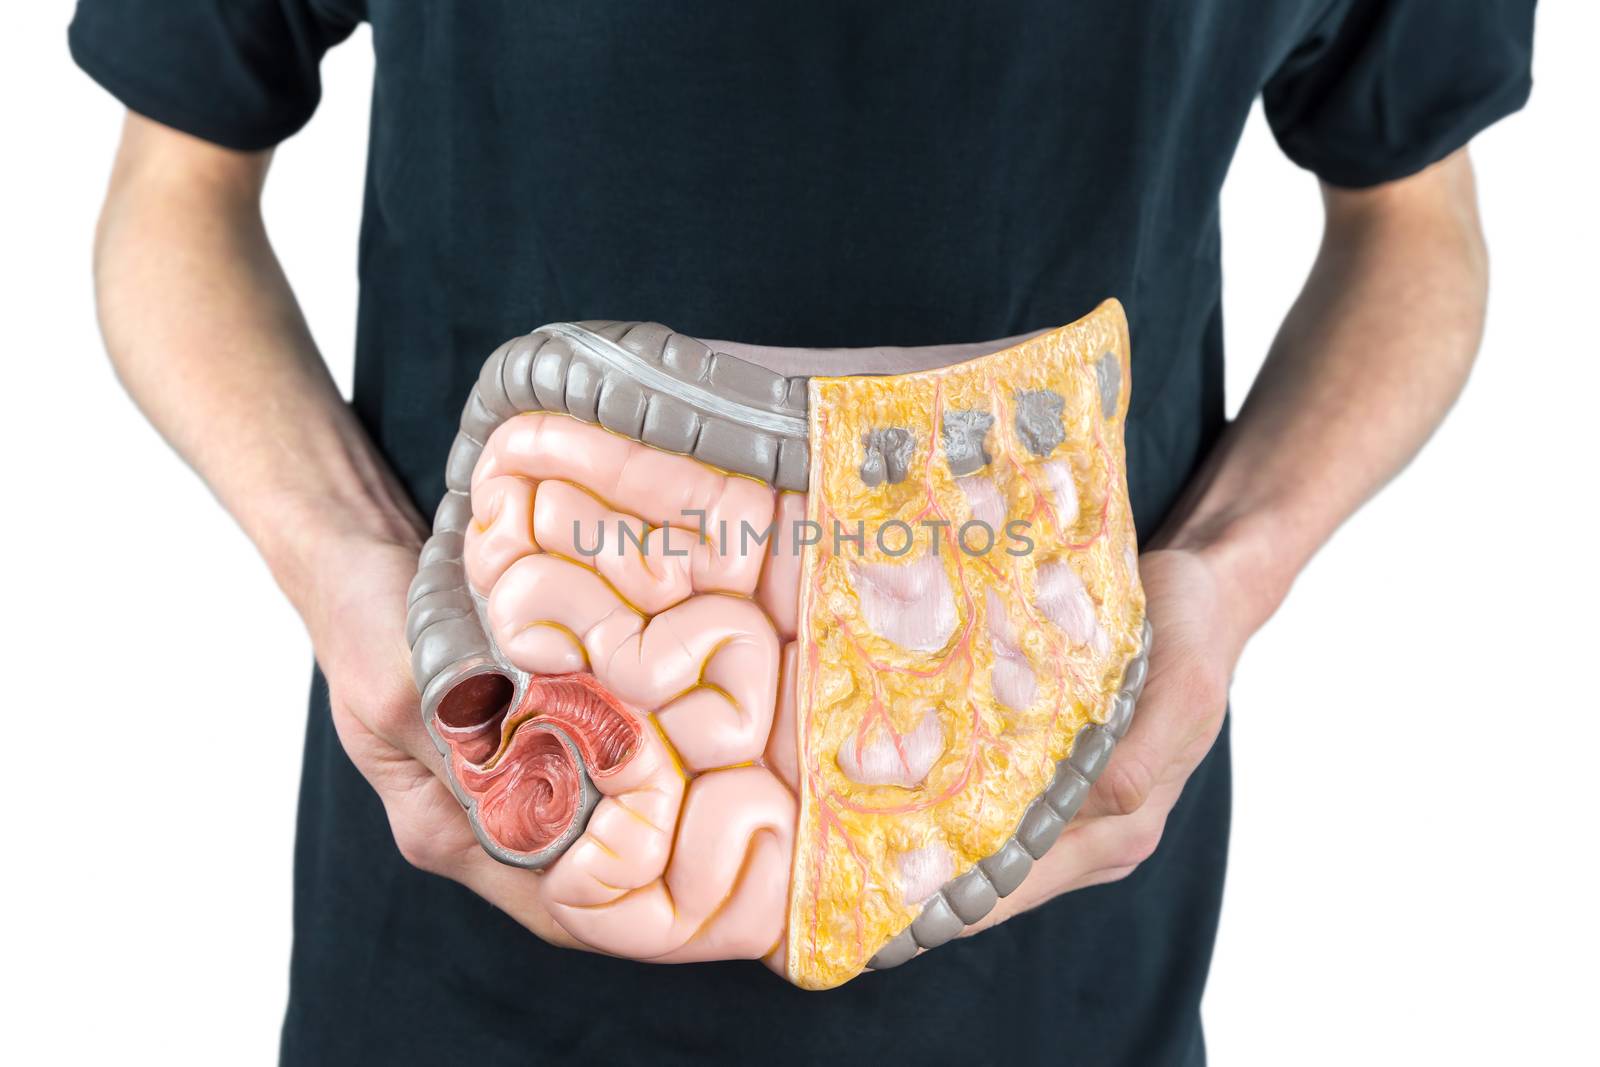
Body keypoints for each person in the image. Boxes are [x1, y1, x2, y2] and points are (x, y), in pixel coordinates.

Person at [69, 2, 1535, 1063]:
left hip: (1062, 963)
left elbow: (1415, 222)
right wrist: (342, 567)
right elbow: (174, 189)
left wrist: (1231, 569)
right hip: (461, 953)